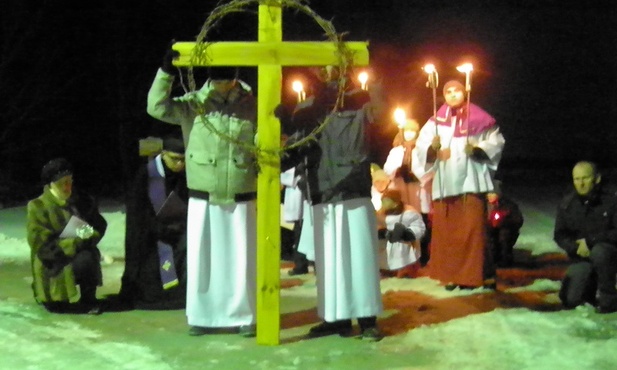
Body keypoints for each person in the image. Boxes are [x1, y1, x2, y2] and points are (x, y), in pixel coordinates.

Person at [147, 46, 258, 336]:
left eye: (227, 78)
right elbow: (156, 107)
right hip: (203, 192)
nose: (222, 84)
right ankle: (203, 315)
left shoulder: (252, 104)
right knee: (203, 258)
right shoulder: (193, 104)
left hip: (240, 190)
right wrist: (166, 74)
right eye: (218, 78)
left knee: (241, 259)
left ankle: (244, 314)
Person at [285, 66, 385, 341]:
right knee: (328, 262)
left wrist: (374, 84)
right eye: (322, 68)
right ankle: (335, 318)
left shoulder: (360, 101)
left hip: (352, 190)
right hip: (321, 191)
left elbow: (380, 114)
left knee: (359, 260)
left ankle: (367, 320)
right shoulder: (308, 107)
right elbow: (298, 143)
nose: (327, 72)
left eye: (332, 67)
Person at [413, 80, 505, 290]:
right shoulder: (435, 122)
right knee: (449, 234)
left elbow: (496, 141)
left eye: (457, 91)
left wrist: (478, 149)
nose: (453, 95)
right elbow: (421, 147)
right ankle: (453, 275)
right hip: (446, 183)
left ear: (465, 92)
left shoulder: (480, 118)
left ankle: (476, 275)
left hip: (472, 181)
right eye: (448, 92)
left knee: (474, 232)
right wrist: (431, 149)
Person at [26, 158, 107, 314]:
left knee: (88, 257)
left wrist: (88, 235)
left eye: (69, 181)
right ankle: (48, 294)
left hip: (76, 255)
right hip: (53, 260)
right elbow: (41, 244)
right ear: (51, 184)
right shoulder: (38, 206)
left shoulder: (80, 201)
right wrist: (73, 243)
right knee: (57, 306)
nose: (67, 186)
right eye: (61, 183)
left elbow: (98, 226)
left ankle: (88, 299)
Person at [119, 136, 188, 310]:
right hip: (150, 239)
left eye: (183, 160)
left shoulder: (185, 177)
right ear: (163, 154)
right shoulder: (147, 175)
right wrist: (160, 229)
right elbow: (139, 214)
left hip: (177, 234)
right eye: (175, 159)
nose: (179, 164)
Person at [554, 161, 617, 314]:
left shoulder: (612, 200)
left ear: (597, 179)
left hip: (609, 254)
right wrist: (575, 247)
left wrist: (590, 242)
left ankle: (609, 300)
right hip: (583, 257)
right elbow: (560, 234)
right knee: (571, 300)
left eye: (585, 178)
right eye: (577, 179)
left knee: (600, 252)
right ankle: (589, 289)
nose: (580, 183)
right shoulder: (567, 204)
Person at [384, 118, 433, 265]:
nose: (409, 134)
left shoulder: (421, 150)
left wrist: (416, 174)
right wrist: (397, 170)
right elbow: (387, 169)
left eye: (412, 131)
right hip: (402, 189)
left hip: (418, 189)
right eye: (407, 131)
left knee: (420, 222)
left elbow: (429, 169)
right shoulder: (396, 151)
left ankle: (423, 255)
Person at [376, 189, 426, 278]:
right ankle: (386, 269)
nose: (383, 204)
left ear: (395, 203)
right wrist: (381, 233)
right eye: (382, 201)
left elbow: (419, 228)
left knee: (402, 249)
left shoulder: (409, 213)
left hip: (404, 242)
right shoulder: (380, 213)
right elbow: (377, 226)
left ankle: (405, 271)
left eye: (386, 201)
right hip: (387, 242)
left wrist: (405, 234)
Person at [486, 180, 524, 268]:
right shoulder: (484, 205)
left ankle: (505, 261)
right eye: (488, 194)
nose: (490, 196)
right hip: (490, 231)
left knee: (504, 238)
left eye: (493, 194)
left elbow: (518, 219)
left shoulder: (508, 205)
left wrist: (504, 223)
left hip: (505, 231)